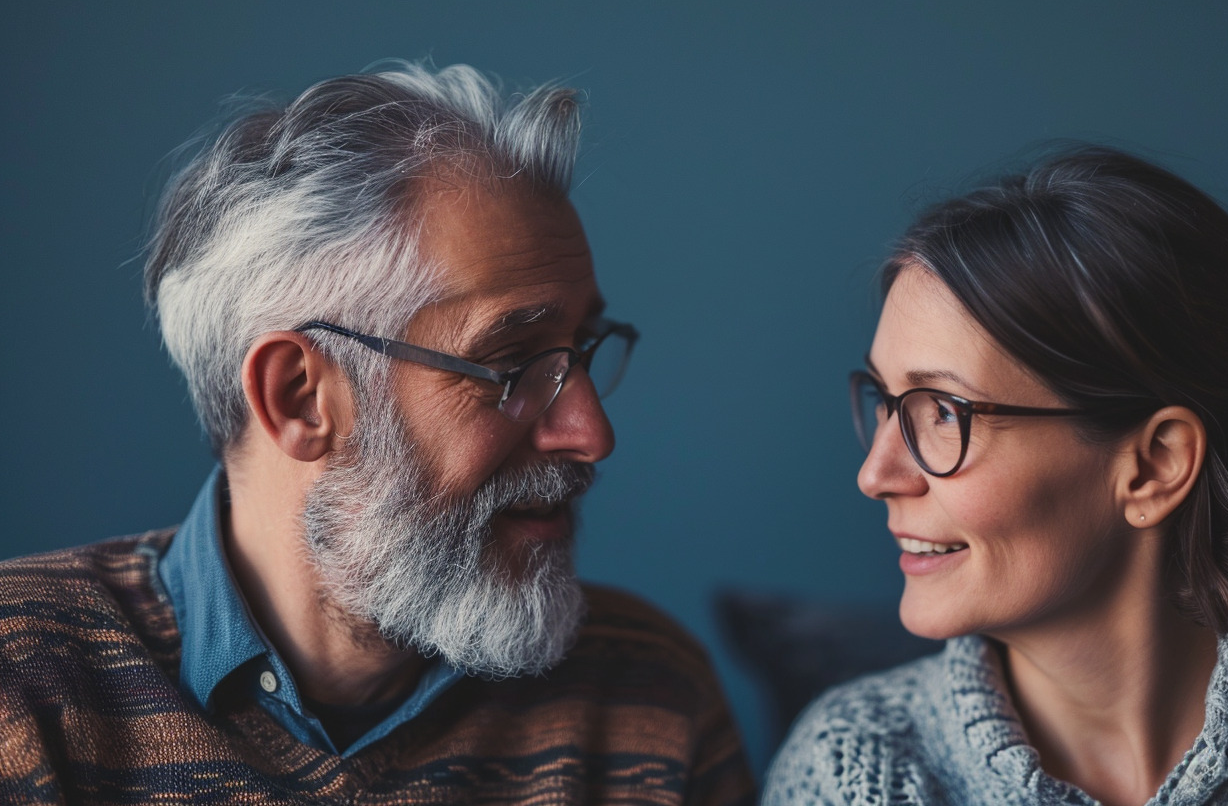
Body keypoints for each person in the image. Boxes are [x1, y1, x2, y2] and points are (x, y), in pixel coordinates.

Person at [0, 61, 754, 805]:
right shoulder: (23, 687)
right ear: (299, 400)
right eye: (511, 361)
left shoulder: (647, 696)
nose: (591, 433)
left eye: (581, 350)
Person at [763, 145, 1228, 805]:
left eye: (941, 411)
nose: (876, 474)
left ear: (1156, 465)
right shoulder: (850, 771)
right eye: (886, 403)